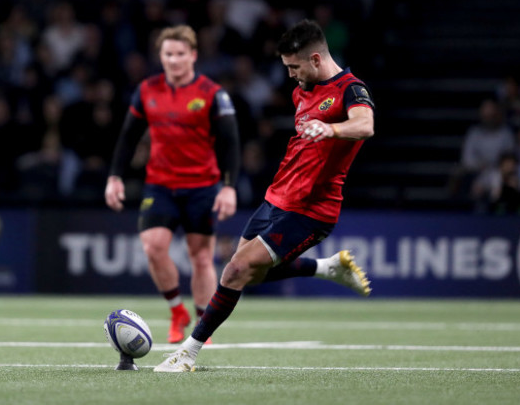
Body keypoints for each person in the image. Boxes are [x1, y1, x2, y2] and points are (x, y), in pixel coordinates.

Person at [154, 19, 374, 372]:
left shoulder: (351, 89)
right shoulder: (301, 90)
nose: (290, 75)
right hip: (277, 197)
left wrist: (331, 128)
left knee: (235, 271)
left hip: (312, 210)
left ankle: (188, 353)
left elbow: (365, 125)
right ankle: (327, 267)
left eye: (294, 67)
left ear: (316, 59)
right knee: (246, 274)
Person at [105, 25, 240, 344]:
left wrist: (229, 186)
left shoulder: (212, 93)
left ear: (193, 56)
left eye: (181, 54)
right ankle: (176, 310)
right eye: (168, 54)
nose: (175, 60)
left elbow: (230, 143)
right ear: (161, 56)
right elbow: (128, 138)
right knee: (152, 247)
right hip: (160, 185)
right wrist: (114, 177)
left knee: (201, 257)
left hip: (202, 187)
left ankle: (201, 324)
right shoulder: (147, 90)